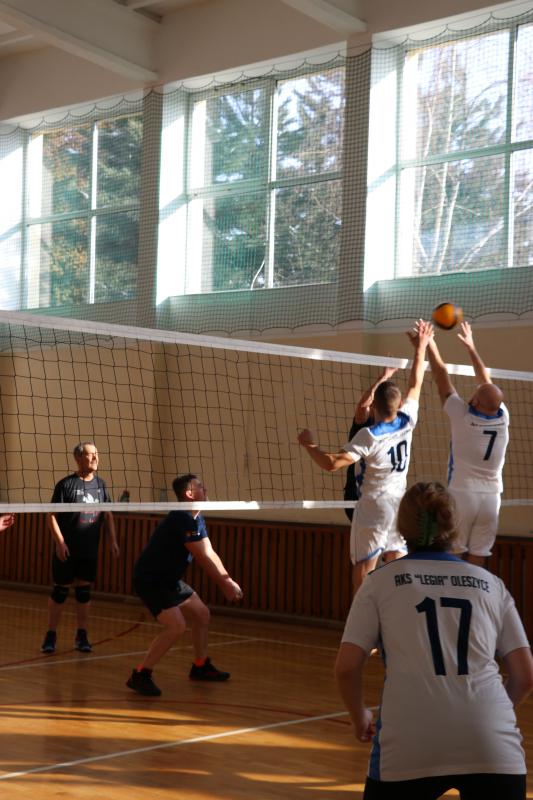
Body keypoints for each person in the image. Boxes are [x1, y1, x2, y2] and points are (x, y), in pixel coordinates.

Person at [335, 481, 533, 800]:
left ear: (401, 527)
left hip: (409, 742)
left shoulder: (378, 583)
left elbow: (347, 668)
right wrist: (484, 716)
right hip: (493, 745)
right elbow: (525, 675)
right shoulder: (491, 584)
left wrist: (360, 717)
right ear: (453, 526)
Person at [298, 320, 433, 593]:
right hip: (399, 504)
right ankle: (401, 609)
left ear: (375, 407)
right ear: (398, 404)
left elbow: (331, 464)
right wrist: (421, 346)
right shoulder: (408, 419)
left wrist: (309, 445)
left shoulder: (369, 436)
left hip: (372, 506)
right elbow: (416, 382)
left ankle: (363, 613)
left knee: (364, 568)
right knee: (397, 562)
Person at [126, 473, 243, 697]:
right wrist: (225, 584)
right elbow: (202, 557)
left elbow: (210, 552)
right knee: (176, 626)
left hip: (169, 580)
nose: (205, 489)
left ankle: (200, 666)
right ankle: (141, 674)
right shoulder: (181, 519)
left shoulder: (196, 517)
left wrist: (227, 580)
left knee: (201, 614)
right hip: (151, 580)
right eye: (200, 486)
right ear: (189, 494)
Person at [424, 319, 509, 567]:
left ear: (477, 402)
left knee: (455, 551)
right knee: (479, 553)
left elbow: (441, 375)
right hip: (492, 497)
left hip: (463, 493)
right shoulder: (503, 416)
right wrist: (471, 347)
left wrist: (429, 343)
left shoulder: (462, 415)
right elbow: (486, 383)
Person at [41, 442, 119, 654]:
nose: (95, 458)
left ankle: (82, 635)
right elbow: (51, 516)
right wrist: (60, 542)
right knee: (60, 591)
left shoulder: (101, 485)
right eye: (90, 454)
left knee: (84, 592)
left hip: (89, 549)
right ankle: (50, 635)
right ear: (78, 458)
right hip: (67, 549)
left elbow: (108, 514)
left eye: (96, 454)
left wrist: (112, 541)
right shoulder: (66, 484)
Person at [343, 366, 398, 523]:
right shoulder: (365, 425)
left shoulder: (397, 428)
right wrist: (383, 377)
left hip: (383, 500)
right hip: (356, 498)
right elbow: (363, 406)